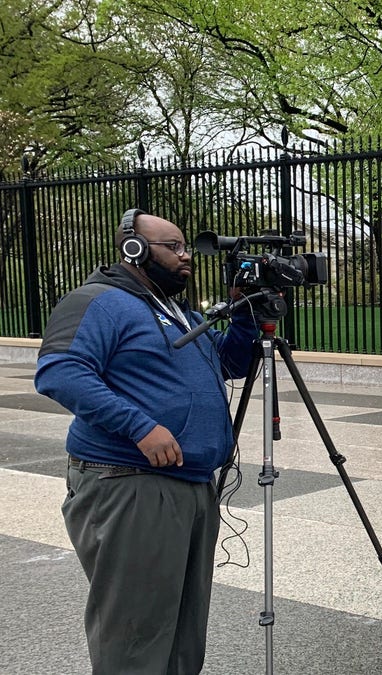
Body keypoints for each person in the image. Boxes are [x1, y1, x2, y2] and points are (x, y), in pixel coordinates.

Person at [35, 209, 258, 674]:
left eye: (184, 248)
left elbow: (230, 365)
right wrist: (139, 426)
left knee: (181, 630)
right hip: (130, 482)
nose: (185, 257)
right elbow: (60, 371)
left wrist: (245, 313)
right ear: (133, 249)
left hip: (190, 485)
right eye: (172, 247)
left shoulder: (178, 313)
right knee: (136, 634)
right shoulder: (99, 301)